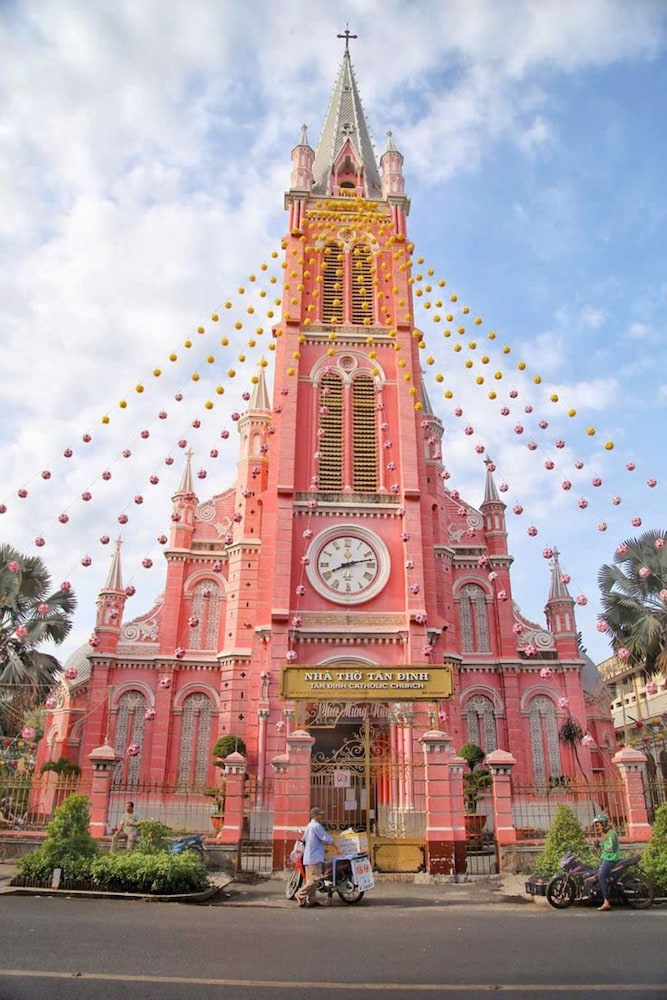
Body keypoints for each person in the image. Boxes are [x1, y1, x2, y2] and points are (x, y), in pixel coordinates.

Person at [295, 806, 334, 908]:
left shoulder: (309, 826)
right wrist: (337, 847)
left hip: (309, 856)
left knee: (311, 881)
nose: (321, 816)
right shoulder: (316, 826)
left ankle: (311, 900)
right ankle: (300, 894)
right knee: (314, 880)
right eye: (320, 814)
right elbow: (326, 838)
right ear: (315, 816)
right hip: (314, 857)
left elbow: (306, 839)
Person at [593, 813, 620, 911]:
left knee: (601, 876)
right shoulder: (606, 833)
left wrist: (601, 844)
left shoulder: (612, 833)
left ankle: (606, 902)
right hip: (605, 857)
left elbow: (611, 848)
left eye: (598, 825)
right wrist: (598, 845)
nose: (597, 827)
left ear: (603, 824)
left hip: (611, 859)